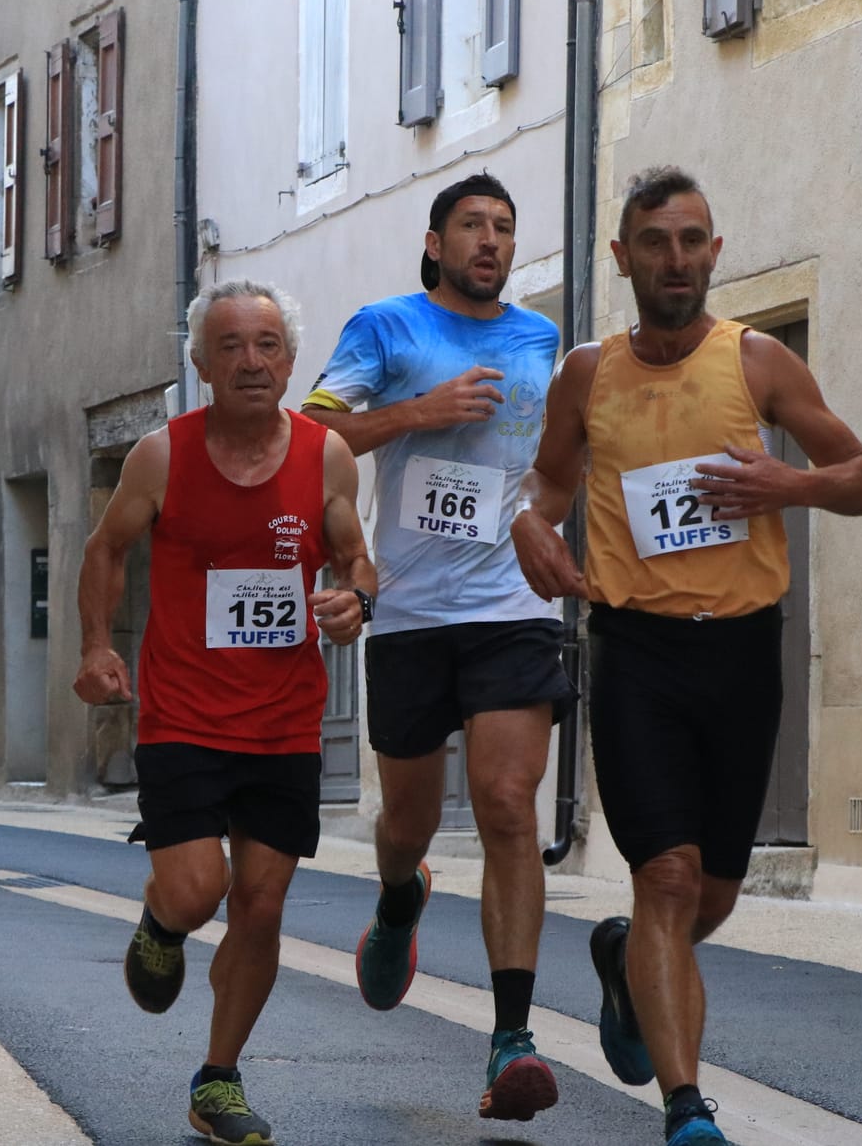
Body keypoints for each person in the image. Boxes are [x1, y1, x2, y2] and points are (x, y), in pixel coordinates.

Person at [511, 167, 862, 1146]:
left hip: (741, 655)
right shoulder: (587, 375)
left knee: (710, 891)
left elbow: (861, 478)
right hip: (633, 648)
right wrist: (528, 528)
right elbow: (546, 487)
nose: (673, 259)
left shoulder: (756, 363)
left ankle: (632, 962)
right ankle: (685, 1108)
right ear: (622, 255)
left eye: (690, 240)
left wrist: (783, 485)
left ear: (711, 252)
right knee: (667, 876)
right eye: (654, 242)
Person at [76, 279, 376, 1146]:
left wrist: (356, 601)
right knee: (199, 888)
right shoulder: (161, 456)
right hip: (182, 714)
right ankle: (163, 918)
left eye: (269, 343)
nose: (252, 360)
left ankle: (218, 1077)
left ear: (290, 360)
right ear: (202, 363)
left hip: (285, 720)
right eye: (232, 345)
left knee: (263, 903)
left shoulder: (325, 456)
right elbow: (107, 550)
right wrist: (96, 647)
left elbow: (358, 559)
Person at [302, 172, 574, 1122]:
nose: (491, 240)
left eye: (504, 225)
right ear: (434, 240)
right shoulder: (384, 328)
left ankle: (511, 1039)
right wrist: (420, 412)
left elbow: (561, 459)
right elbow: (314, 432)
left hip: (513, 605)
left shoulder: (541, 340)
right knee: (407, 825)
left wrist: (551, 524)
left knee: (506, 805)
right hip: (412, 613)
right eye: (472, 225)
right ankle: (399, 895)